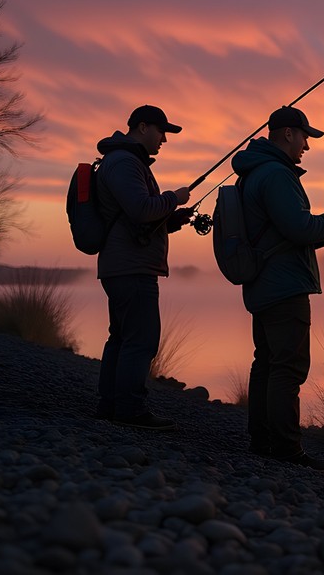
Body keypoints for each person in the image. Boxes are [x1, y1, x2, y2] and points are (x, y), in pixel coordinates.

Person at [232, 105, 324, 471]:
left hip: (263, 282)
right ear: (287, 133)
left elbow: (288, 231)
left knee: (267, 363)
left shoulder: (254, 173)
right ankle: (286, 448)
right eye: (304, 136)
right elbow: (298, 229)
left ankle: (263, 441)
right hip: (283, 284)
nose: (307, 145)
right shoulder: (276, 175)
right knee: (288, 366)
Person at [94, 105, 193, 430]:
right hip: (131, 267)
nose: (164, 139)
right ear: (141, 127)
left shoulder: (124, 161)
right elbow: (139, 209)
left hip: (122, 263)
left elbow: (137, 218)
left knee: (122, 337)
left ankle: (111, 406)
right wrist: (173, 198)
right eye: (161, 131)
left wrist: (171, 220)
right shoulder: (124, 162)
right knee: (141, 339)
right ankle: (130, 410)